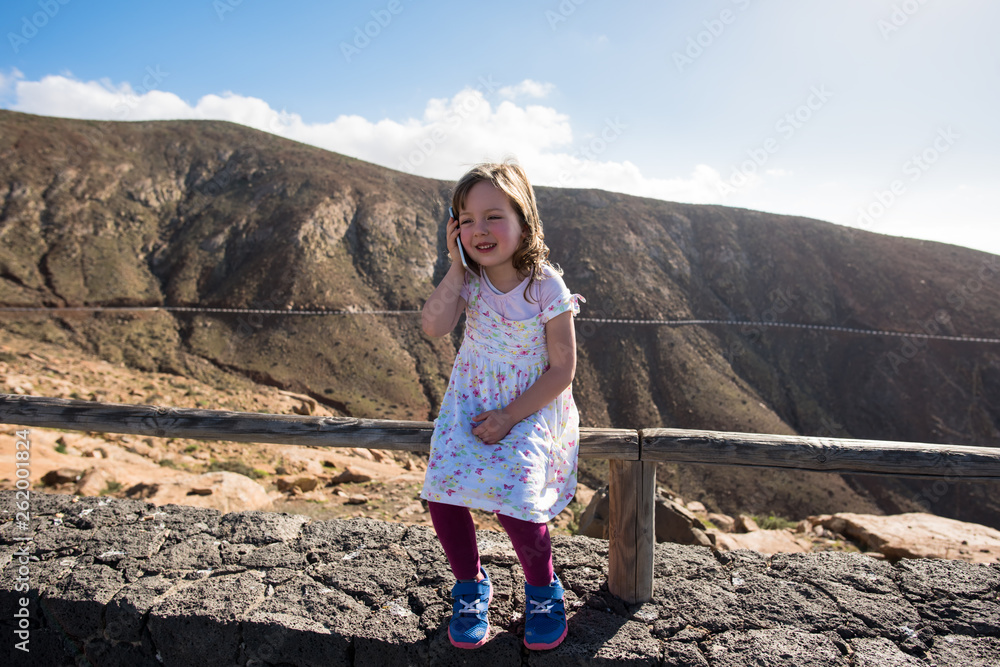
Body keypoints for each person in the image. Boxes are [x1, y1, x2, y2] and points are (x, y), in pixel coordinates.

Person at [420, 160, 584, 651]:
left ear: (523, 220)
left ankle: (542, 590)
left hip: (529, 406)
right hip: (469, 403)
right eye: (465, 220)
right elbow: (432, 326)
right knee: (444, 492)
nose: (479, 229)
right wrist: (454, 265)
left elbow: (563, 368)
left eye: (493, 216)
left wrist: (512, 415)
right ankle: (470, 585)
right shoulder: (468, 281)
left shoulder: (545, 286)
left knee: (519, 501)